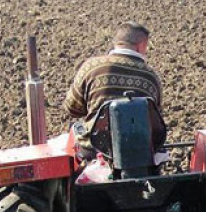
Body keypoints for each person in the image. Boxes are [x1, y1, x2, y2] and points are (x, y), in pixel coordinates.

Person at [63, 21, 163, 157]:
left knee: (75, 130)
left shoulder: (91, 67)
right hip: (139, 152)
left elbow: (72, 108)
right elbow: (156, 122)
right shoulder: (151, 77)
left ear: (117, 42)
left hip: (95, 148)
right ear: (142, 45)